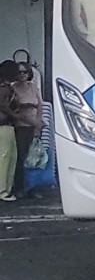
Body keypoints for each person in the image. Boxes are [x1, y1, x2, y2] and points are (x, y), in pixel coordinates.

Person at [11, 61, 44, 199]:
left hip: (33, 125)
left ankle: (33, 188)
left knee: (35, 158)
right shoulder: (13, 88)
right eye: (19, 72)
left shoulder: (33, 87)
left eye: (25, 71)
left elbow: (40, 105)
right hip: (20, 127)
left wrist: (38, 123)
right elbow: (16, 109)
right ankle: (19, 187)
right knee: (21, 158)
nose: (22, 75)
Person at [0, 60, 20, 202]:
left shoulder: (5, 86)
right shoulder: (4, 87)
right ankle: (3, 190)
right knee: (6, 157)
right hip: (4, 125)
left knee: (10, 156)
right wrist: (15, 115)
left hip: (7, 124)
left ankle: (6, 188)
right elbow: (3, 105)